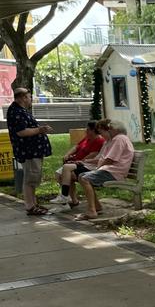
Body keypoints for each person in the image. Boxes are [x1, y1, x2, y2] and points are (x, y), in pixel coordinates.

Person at [6, 86, 53, 216]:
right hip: (29, 151)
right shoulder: (16, 112)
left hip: (33, 150)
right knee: (30, 178)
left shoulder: (21, 110)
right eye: (29, 96)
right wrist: (40, 130)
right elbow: (21, 132)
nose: (31, 99)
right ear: (23, 98)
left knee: (33, 178)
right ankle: (30, 206)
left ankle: (33, 203)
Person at [78, 120, 134, 219]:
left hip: (114, 172)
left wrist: (97, 169)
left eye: (110, 129)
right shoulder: (117, 139)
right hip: (111, 170)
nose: (108, 131)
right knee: (82, 176)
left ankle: (92, 211)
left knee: (85, 178)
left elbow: (110, 159)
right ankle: (97, 206)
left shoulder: (119, 139)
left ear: (116, 130)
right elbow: (105, 158)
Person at [50, 120, 105, 207]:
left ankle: (65, 198)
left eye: (88, 130)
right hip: (78, 163)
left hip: (85, 164)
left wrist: (78, 161)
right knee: (60, 174)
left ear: (93, 130)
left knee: (67, 172)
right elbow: (76, 147)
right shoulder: (87, 138)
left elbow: (92, 156)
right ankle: (70, 199)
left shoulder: (99, 141)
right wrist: (68, 154)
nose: (86, 131)